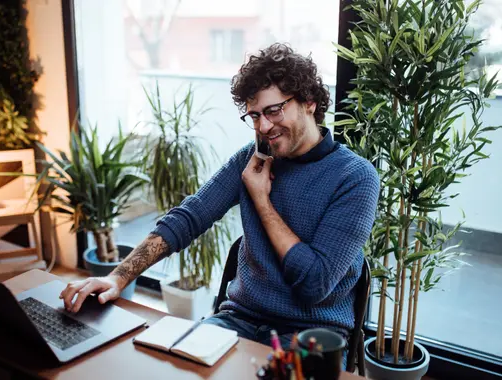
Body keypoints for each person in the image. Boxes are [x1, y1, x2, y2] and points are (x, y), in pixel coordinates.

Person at [60, 43, 379, 351]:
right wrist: (119, 277)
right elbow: (189, 217)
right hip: (238, 320)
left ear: (309, 101)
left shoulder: (355, 177)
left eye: (274, 110)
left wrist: (262, 200)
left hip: (311, 336)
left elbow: (313, 284)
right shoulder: (251, 160)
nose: (264, 126)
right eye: (254, 115)